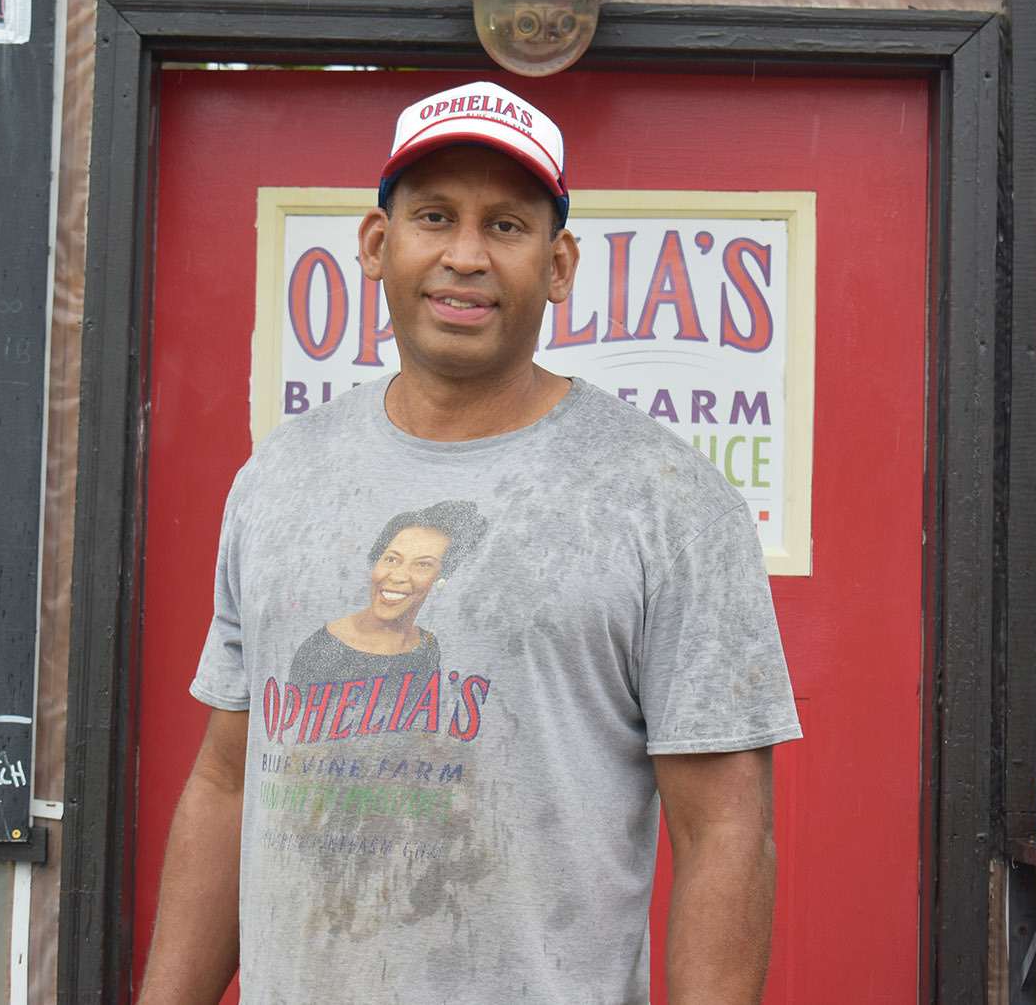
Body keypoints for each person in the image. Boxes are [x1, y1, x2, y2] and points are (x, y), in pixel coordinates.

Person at [140, 79, 802, 1004]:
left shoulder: (666, 500)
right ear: (378, 245)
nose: (464, 256)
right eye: (435, 216)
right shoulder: (277, 479)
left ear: (560, 265)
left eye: (506, 226)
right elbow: (224, 782)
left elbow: (726, 830)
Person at [286, 500, 487, 689]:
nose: (398, 576)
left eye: (423, 564)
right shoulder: (322, 650)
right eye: (391, 559)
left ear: (442, 577)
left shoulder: (427, 647)